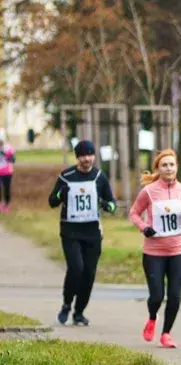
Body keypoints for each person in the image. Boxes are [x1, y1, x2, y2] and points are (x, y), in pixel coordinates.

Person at [128, 149, 181, 349]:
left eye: (171, 165)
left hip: (178, 251)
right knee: (157, 295)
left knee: (175, 295)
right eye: (164, 165)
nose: (168, 168)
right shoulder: (149, 191)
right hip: (154, 253)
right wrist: (144, 228)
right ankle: (152, 318)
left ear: (177, 167)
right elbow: (134, 213)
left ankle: (166, 333)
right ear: (158, 169)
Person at [48, 140, 117, 326]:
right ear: (77, 157)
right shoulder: (67, 176)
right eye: (82, 155)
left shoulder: (99, 177)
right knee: (76, 268)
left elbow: (112, 204)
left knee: (89, 272)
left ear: (94, 156)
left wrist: (106, 205)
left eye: (90, 155)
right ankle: (66, 304)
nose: (87, 159)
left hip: (92, 232)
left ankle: (79, 311)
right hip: (71, 231)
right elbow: (52, 201)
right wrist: (61, 194)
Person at [0, 132, 14, 213]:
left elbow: (13, 160)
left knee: (6, 189)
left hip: (7, 172)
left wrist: (5, 154)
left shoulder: (8, 148)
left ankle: (6, 205)